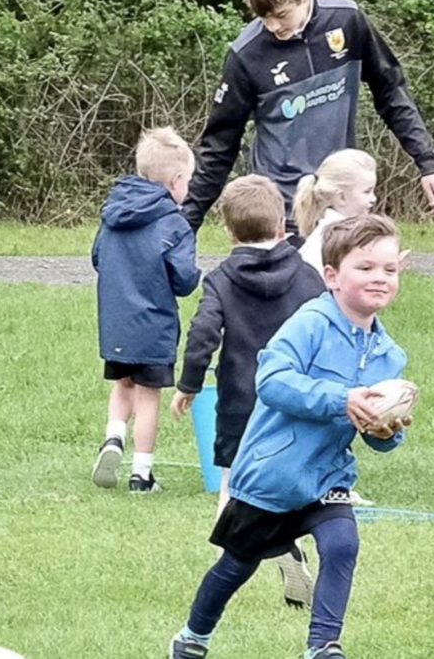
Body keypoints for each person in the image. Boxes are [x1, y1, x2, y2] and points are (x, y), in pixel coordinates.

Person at [170, 215, 412, 659]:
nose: (379, 278)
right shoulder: (311, 322)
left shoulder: (389, 354)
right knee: (236, 565)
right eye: (366, 267)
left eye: (389, 269)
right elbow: (273, 380)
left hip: (326, 476)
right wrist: (341, 398)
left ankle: (322, 647)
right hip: (272, 475)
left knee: (342, 544)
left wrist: (385, 432)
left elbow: (374, 433)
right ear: (332, 276)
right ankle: (192, 637)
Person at [181, 0, 434, 236]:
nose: (272, 27)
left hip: (341, 204)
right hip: (281, 213)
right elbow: (219, 147)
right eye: (263, 17)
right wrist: (186, 224)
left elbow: (392, 94)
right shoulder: (246, 55)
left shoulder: (348, 21)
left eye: (281, 15)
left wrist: (428, 164)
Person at [171, 175, 325, 608]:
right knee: (291, 484)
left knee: (232, 486)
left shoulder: (221, 279)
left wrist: (189, 384)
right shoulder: (307, 275)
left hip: (240, 402)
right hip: (296, 403)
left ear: (229, 232)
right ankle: (287, 544)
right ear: (282, 226)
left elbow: (203, 332)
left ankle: (235, 570)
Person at [91, 127, 201, 493]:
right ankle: (142, 473)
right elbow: (184, 280)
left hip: (116, 321)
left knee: (122, 384)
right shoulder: (174, 223)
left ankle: (113, 438)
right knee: (148, 396)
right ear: (177, 180)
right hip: (154, 325)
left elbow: (97, 258)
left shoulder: (113, 214)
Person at [294, 149, 377, 276]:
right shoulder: (334, 240)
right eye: (367, 191)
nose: (374, 199)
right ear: (341, 198)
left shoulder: (343, 234)